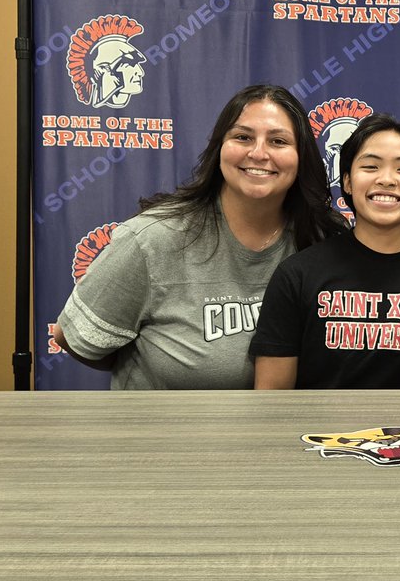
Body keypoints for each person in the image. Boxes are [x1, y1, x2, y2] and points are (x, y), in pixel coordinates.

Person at [54, 84, 347, 388]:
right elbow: (73, 338)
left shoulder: (324, 240)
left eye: (278, 141)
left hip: (280, 420)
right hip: (165, 420)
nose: (259, 153)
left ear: (302, 156)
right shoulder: (151, 240)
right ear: (219, 147)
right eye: (243, 137)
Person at [249, 114, 400, 389]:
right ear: (347, 182)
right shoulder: (297, 274)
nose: (386, 179)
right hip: (322, 419)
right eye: (370, 166)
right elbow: (271, 397)